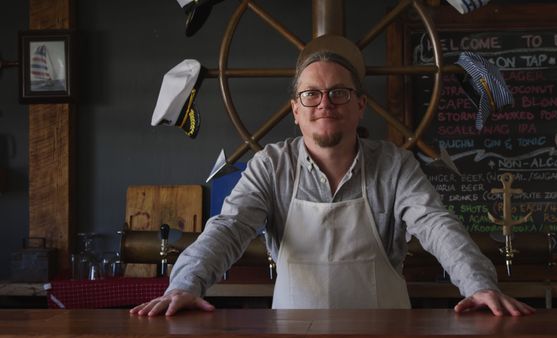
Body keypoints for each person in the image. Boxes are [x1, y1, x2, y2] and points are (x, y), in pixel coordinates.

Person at [131, 35, 535, 317]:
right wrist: (184, 286)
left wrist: (479, 286)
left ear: (360, 106)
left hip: (386, 330)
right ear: (295, 110)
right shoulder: (271, 166)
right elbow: (230, 228)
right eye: (311, 95)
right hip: (293, 330)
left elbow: (437, 226)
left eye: (339, 93)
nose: (325, 104)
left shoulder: (394, 165)